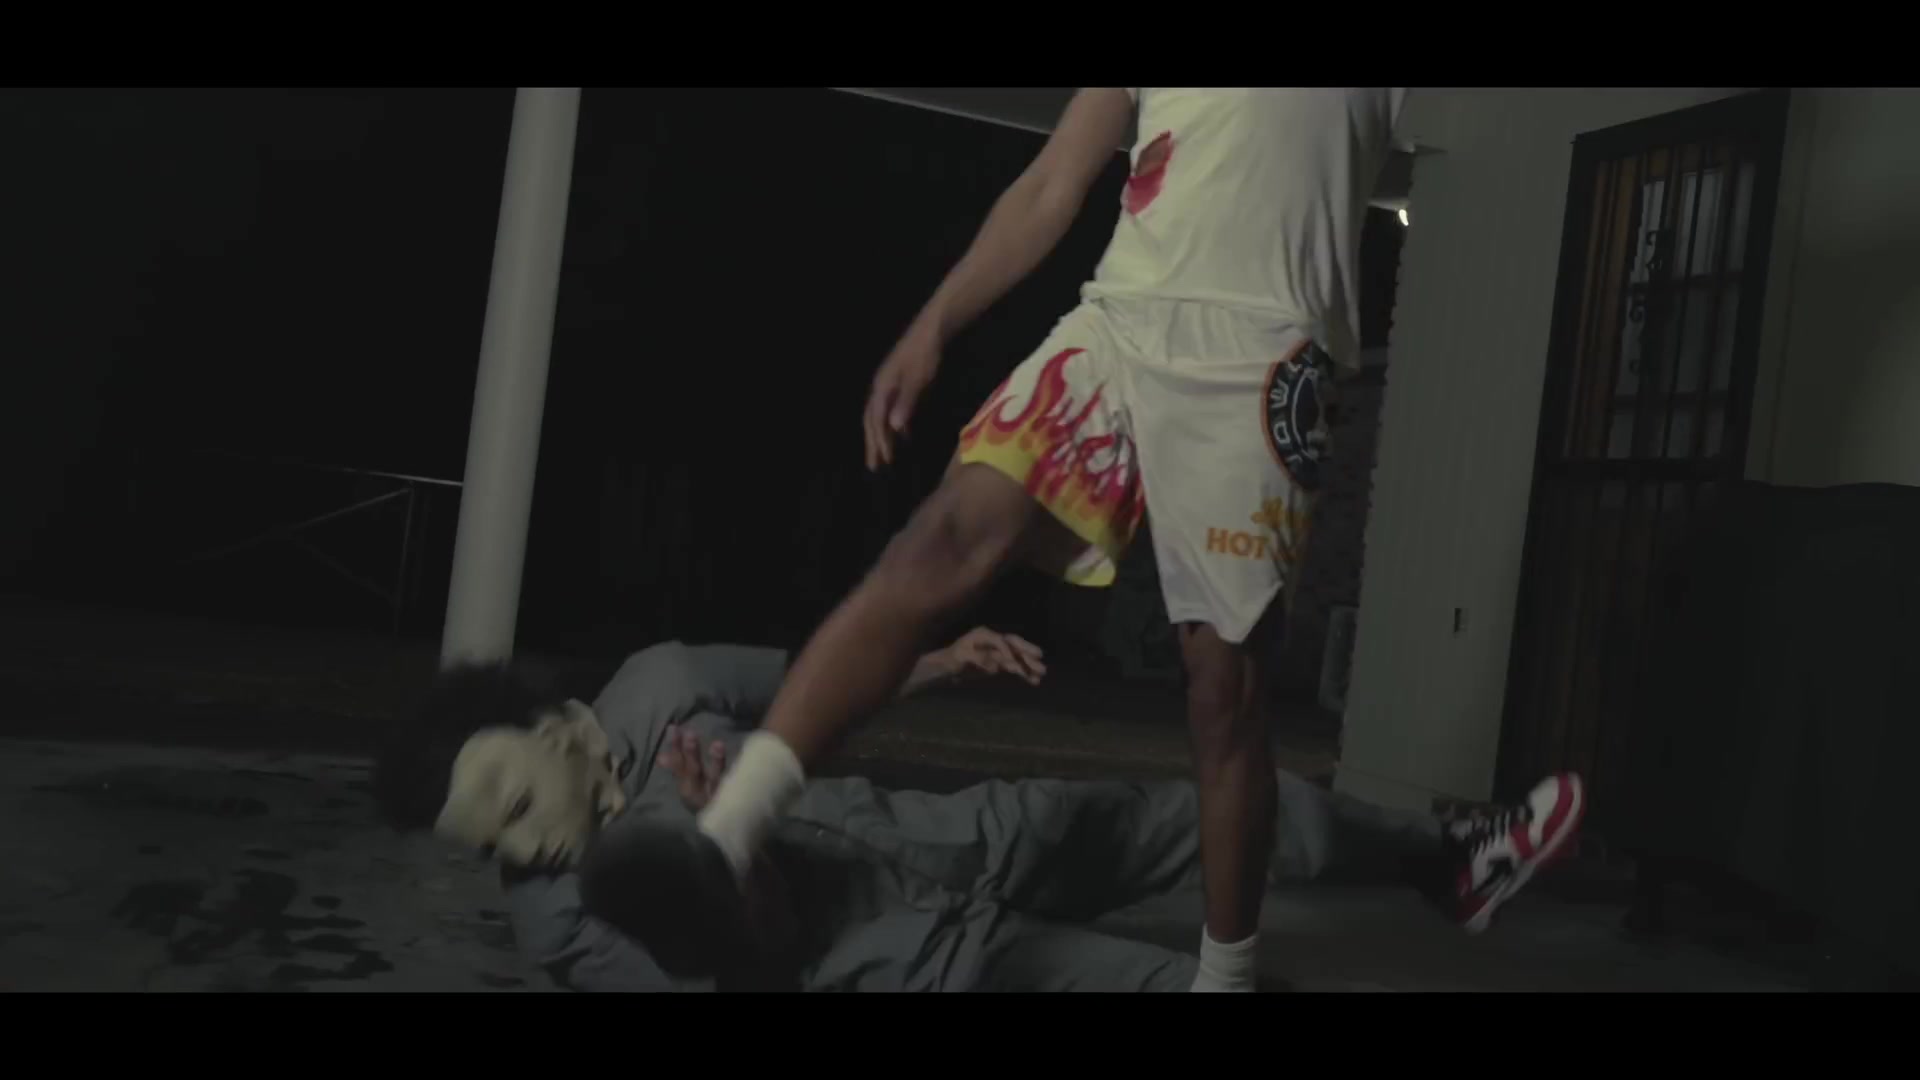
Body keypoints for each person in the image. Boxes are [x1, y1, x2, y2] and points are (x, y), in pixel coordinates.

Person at [627, 87, 1518, 991]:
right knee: (938, 541)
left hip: (1263, 358)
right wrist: (935, 323)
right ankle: (727, 835)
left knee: (1223, 691)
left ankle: (1225, 979)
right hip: (1121, 324)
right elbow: (1052, 182)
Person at [375, 630, 1586, 991]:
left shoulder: (660, 681)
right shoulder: (567, 918)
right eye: (492, 846)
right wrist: (728, 847)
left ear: (559, 729)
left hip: (974, 832)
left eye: (514, 803)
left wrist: (941, 659)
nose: (523, 849)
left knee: (1222, 816)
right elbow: (751, 972)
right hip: (917, 964)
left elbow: (821, 682)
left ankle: (1448, 858)